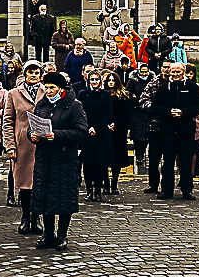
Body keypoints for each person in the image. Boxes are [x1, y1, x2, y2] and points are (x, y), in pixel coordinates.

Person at [29, 72, 89, 250]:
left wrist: (57, 135)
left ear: (61, 89)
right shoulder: (42, 104)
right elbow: (33, 126)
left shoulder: (74, 105)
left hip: (64, 160)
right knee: (45, 196)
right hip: (44, 158)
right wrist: (32, 135)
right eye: (46, 87)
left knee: (64, 198)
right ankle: (48, 234)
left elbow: (82, 131)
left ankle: (62, 235)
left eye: (52, 88)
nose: (48, 91)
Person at [3, 60, 44, 235]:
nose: (33, 75)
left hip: (43, 143)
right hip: (23, 145)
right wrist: (10, 146)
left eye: (36, 73)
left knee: (39, 183)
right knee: (25, 184)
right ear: (25, 74)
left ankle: (37, 218)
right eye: (30, 72)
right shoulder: (13, 93)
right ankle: (25, 217)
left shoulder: (47, 91)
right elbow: (8, 121)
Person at [154, 61, 199, 200]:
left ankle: (187, 189)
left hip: (186, 130)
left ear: (183, 72)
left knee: (186, 161)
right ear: (169, 72)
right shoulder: (163, 88)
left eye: (178, 72)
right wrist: (168, 112)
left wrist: (184, 112)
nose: (175, 74)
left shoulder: (193, 87)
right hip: (168, 129)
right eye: (173, 72)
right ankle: (167, 189)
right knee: (168, 161)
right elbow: (156, 105)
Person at [77, 69, 115, 202]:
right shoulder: (83, 94)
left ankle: (98, 190)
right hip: (86, 132)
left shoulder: (106, 95)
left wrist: (97, 128)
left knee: (100, 164)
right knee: (87, 164)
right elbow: (80, 112)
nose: (94, 82)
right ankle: (89, 191)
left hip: (101, 133)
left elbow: (108, 114)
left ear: (100, 81)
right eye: (92, 79)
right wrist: (87, 127)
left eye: (96, 79)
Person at [140, 60, 171, 193]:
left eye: (169, 67)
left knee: (168, 160)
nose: (167, 70)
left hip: (171, 127)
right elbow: (143, 100)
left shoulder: (176, 84)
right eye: (165, 67)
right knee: (153, 159)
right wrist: (155, 108)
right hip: (154, 126)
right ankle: (153, 184)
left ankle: (166, 186)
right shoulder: (153, 83)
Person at [104, 70, 132, 195]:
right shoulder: (102, 95)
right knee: (104, 158)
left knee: (117, 158)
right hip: (105, 129)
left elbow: (125, 113)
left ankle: (114, 184)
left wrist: (116, 124)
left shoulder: (123, 96)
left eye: (113, 80)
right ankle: (106, 184)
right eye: (109, 80)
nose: (111, 82)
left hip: (119, 130)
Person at [126, 61, 155, 174]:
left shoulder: (151, 81)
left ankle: (142, 152)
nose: (144, 74)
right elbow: (128, 94)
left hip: (147, 111)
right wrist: (138, 99)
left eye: (145, 72)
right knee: (137, 134)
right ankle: (138, 154)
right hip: (136, 111)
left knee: (146, 135)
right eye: (142, 72)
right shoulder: (133, 81)